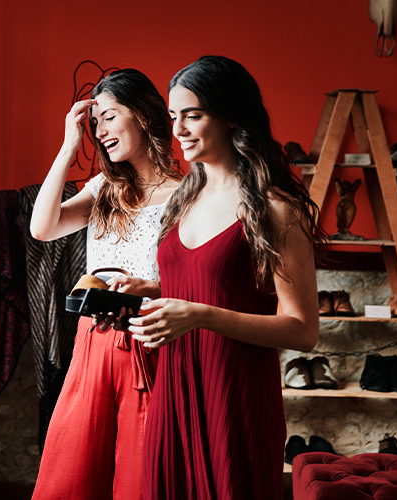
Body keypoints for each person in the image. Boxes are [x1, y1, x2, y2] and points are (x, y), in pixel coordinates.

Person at [127, 55, 322, 499]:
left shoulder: (275, 208)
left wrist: (199, 315)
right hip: (174, 390)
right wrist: (153, 292)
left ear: (231, 115)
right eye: (174, 116)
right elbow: (214, 284)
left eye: (193, 115)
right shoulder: (182, 199)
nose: (178, 130)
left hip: (234, 398)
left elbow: (303, 330)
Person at [30, 68, 182, 500]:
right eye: (95, 122)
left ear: (143, 115)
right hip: (93, 339)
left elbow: (194, 280)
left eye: (110, 116)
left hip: (152, 340)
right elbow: (43, 228)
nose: (100, 131)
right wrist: (66, 148)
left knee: (141, 475)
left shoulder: (189, 192)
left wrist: (150, 288)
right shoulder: (104, 188)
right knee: (72, 469)